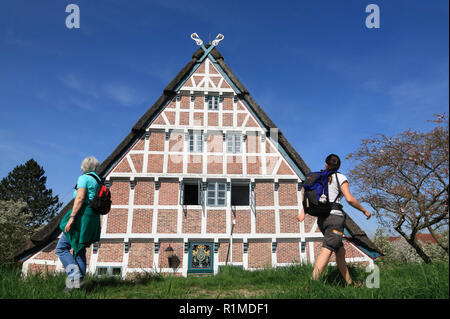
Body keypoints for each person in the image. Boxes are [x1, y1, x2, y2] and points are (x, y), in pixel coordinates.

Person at [297, 154, 371, 286]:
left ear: (325, 164)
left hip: (322, 219)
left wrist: (304, 211)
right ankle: (311, 285)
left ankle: (350, 283)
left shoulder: (317, 178)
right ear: (338, 166)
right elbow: (349, 199)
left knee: (340, 250)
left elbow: (306, 193)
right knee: (328, 247)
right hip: (335, 218)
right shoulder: (340, 177)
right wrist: (364, 210)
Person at [55, 156, 102, 291]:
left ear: (84, 167)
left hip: (81, 217)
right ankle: (79, 285)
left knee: (61, 248)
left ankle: (74, 278)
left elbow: (80, 197)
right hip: (92, 218)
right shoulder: (98, 181)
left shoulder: (84, 178)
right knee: (79, 249)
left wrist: (72, 218)